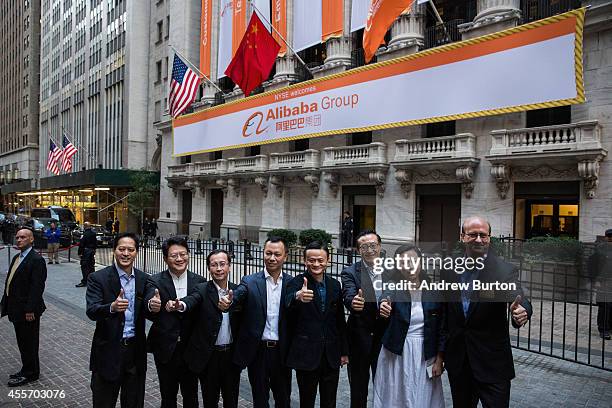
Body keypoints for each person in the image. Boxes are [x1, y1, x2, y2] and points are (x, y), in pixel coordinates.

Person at [441, 216, 532, 408]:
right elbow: (444, 311)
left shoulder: (504, 270)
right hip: (459, 361)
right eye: (473, 235)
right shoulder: (449, 268)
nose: (479, 239)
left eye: (483, 235)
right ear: (462, 237)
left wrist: (522, 310)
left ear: (489, 238)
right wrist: (441, 352)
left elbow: (518, 295)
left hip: (492, 363)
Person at [217, 236, 292, 408]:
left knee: (284, 399)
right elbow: (238, 296)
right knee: (260, 399)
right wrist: (228, 302)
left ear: (285, 256)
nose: (272, 258)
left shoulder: (292, 283)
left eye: (277, 254)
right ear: (263, 254)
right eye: (268, 253)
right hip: (257, 352)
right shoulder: (249, 281)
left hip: (282, 352)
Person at [86, 232, 156, 408]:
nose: (126, 253)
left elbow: (149, 307)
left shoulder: (144, 279)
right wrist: (111, 307)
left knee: (133, 402)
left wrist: (153, 306)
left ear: (136, 252)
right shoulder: (98, 278)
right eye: (121, 249)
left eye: (130, 250)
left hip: (135, 351)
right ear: (114, 251)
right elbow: (92, 311)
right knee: (103, 401)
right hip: (108, 351)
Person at [374, 244, 445, 408]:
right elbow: (386, 297)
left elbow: (442, 328)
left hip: (425, 352)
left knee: (422, 396)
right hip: (396, 352)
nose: (409, 267)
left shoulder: (434, 291)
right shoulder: (392, 286)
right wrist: (383, 304)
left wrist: (440, 359)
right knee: (395, 396)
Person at [285, 241, 348, 408]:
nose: (316, 264)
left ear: (328, 261)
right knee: (307, 401)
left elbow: (340, 320)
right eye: (311, 260)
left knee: (330, 401)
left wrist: (344, 351)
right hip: (306, 355)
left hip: (331, 355)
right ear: (305, 261)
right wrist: (297, 297)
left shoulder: (335, 285)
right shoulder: (296, 283)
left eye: (320, 260)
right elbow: (286, 306)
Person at [145, 236, 204, 408]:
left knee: (191, 396)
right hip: (165, 349)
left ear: (188, 255)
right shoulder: (154, 280)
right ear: (165, 258)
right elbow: (149, 299)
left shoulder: (199, 281)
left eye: (183, 254)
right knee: (168, 396)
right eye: (174, 255)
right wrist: (152, 304)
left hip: (191, 350)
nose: (179, 259)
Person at [182, 249, 242, 408]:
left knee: (232, 400)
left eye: (223, 264)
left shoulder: (238, 291)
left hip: (231, 356)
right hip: (209, 357)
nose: (219, 269)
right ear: (209, 268)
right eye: (214, 265)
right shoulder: (201, 289)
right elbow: (191, 300)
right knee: (210, 400)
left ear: (229, 266)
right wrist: (181, 304)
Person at [341, 230, 388, 408]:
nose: (369, 250)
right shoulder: (350, 272)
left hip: (385, 338)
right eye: (364, 246)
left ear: (380, 247)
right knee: (358, 390)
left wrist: (388, 301)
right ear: (358, 250)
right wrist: (354, 302)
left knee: (386, 388)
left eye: (373, 245)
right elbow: (348, 293)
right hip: (359, 339)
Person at [0, 227, 47, 387]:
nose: (19, 240)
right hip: (16, 309)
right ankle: (26, 368)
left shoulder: (36, 260)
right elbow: (10, 283)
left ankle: (31, 373)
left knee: (30, 343)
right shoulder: (16, 258)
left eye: (23, 237)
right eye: (18, 237)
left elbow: (37, 288)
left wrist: (29, 310)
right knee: (22, 342)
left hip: (28, 312)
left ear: (31, 239)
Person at [588, 229, 612, 340]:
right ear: (606, 237)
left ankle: (609, 327)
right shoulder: (600, 249)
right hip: (603, 281)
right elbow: (592, 265)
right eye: (609, 237)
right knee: (605, 306)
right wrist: (594, 280)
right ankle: (604, 329)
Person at [77, 222, 98, 288]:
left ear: (85, 226)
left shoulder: (85, 234)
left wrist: (80, 252)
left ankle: (85, 281)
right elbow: (95, 243)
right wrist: (94, 250)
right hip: (91, 251)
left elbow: (82, 244)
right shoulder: (93, 233)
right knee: (91, 266)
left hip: (86, 251)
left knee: (84, 267)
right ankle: (92, 281)